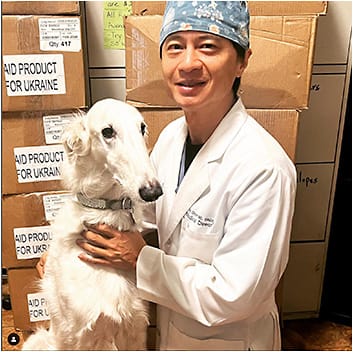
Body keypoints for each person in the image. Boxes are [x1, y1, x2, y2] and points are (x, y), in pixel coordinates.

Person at [38, 1, 297, 350]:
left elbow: (236, 296)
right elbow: (140, 217)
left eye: (207, 46)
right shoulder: (172, 139)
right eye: (175, 46)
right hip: (173, 334)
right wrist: (66, 251)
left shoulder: (264, 169)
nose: (188, 63)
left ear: (242, 61)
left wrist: (140, 259)